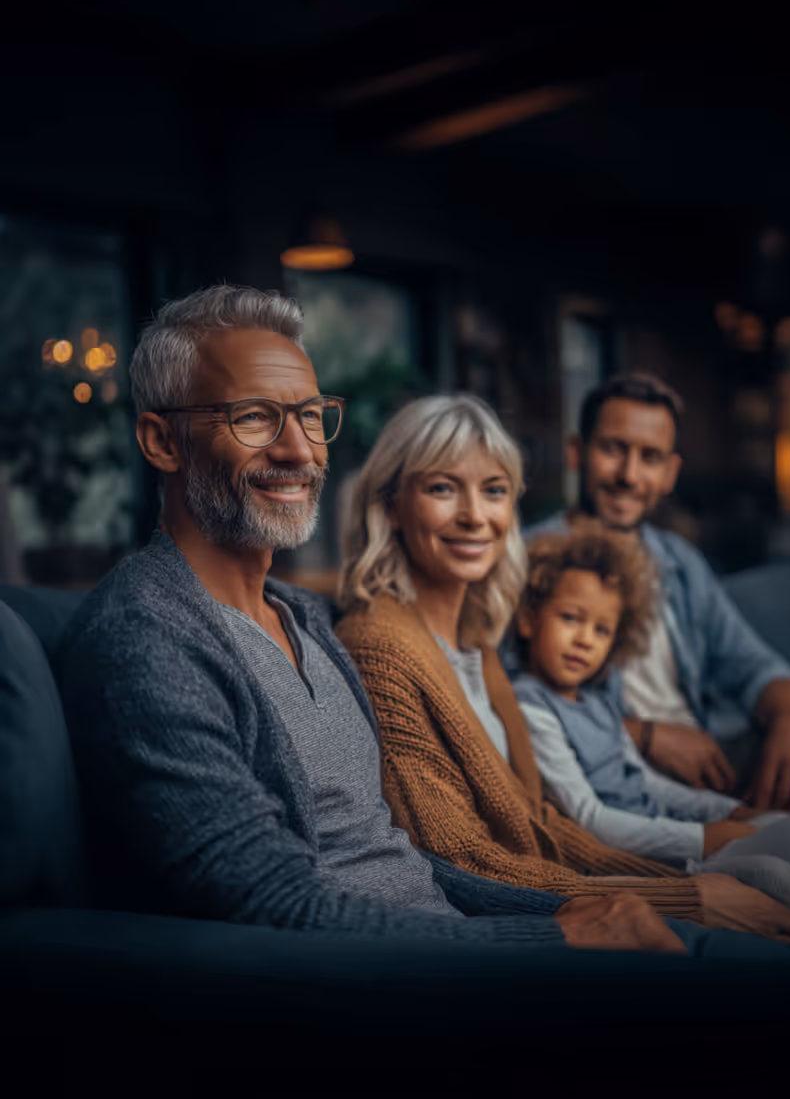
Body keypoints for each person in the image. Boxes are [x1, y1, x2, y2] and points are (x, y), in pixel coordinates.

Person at [58, 283, 706, 957]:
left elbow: (407, 861)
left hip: (460, 952)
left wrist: (583, 909)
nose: (299, 450)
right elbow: (272, 904)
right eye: (254, 417)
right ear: (162, 441)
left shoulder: (307, 616)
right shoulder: (145, 637)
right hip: (374, 996)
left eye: (310, 416)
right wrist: (552, 938)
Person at [335, 391, 790, 944]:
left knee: (780, 865)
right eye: (442, 487)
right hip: (529, 912)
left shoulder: (475, 638)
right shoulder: (381, 647)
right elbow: (459, 858)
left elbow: (540, 823)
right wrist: (691, 889)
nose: (473, 515)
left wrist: (693, 871)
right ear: (392, 504)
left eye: (493, 491)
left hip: (591, 856)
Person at [525, 372, 790, 810]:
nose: (629, 475)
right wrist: (645, 735)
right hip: (616, 786)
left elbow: (751, 664)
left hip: (710, 764)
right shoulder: (532, 559)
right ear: (576, 452)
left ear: (670, 473)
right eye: (613, 449)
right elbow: (506, 707)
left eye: (650, 457)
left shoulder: (679, 562)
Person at [513, 524, 790, 918]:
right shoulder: (531, 706)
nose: (585, 639)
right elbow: (588, 819)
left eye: (602, 629)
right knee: (779, 870)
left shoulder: (597, 702)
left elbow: (648, 784)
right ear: (529, 620)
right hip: (647, 858)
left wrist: (725, 812)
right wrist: (702, 838)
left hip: (673, 828)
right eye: (570, 618)